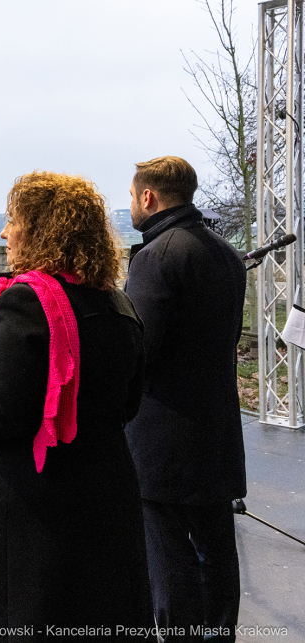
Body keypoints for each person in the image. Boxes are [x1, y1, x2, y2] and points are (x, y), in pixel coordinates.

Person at [0, 170, 153, 638]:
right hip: (107, 484)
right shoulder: (118, 302)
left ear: (41, 229)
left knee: (33, 614)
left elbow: (2, 413)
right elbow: (130, 402)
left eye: (13, 220)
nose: (3, 231)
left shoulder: (25, 303)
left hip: (40, 502)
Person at [123, 156, 247, 641]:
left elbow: (141, 351)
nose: (129, 204)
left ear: (149, 197)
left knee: (170, 555)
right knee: (216, 548)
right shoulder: (226, 252)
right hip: (216, 428)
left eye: (131, 196)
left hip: (165, 440)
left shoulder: (156, 256)